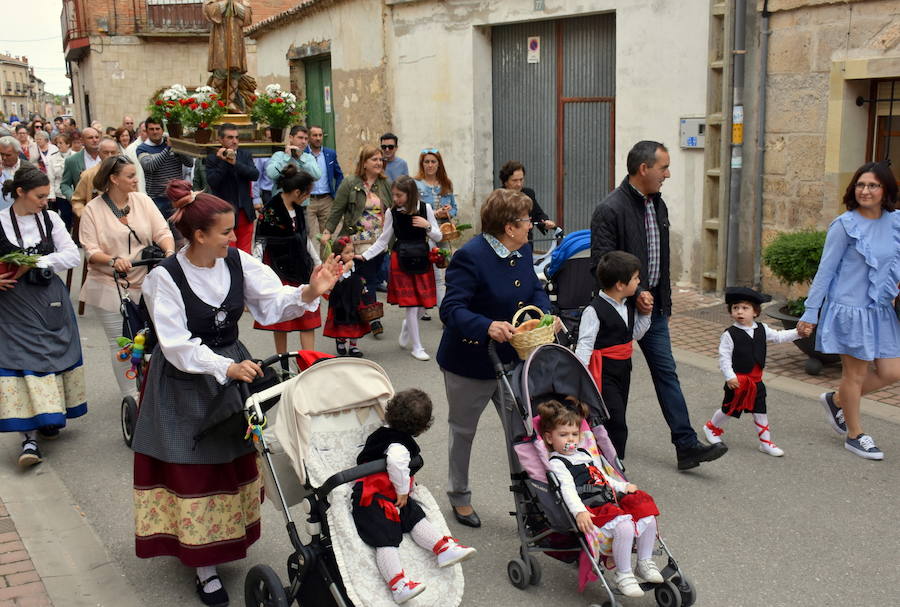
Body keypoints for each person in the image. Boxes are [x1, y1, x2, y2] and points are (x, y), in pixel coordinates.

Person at [131, 179, 342, 606]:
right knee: (196, 465)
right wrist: (221, 366)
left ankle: (223, 541)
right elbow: (174, 345)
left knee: (233, 458)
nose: (234, 236)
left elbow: (271, 301)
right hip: (186, 379)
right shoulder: (164, 278)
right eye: (226, 231)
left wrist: (309, 291)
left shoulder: (236, 262)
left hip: (234, 366)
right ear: (199, 235)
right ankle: (203, 566)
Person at [591, 140, 727, 471]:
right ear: (643, 169)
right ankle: (603, 449)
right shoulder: (610, 209)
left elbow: (658, 258)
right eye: (663, 167)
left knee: (667, 373)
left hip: (654, 310)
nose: (667, 174)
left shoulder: (657, 203)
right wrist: (634, 293)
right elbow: (601, 263)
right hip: (619, 313)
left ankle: (686, 445)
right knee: (614, 385)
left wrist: (659, 299)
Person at [437, 188, 551, 527]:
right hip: (469, 362)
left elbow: (534, 289)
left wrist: (545, 316)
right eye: (526, 220)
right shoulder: (471, 256)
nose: (531, 225)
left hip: (512, 361)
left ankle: (530, 500)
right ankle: (459, 495)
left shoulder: (523, 249)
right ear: (509, 227)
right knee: (463, 431)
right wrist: (487, 326)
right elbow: (451, 309)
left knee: (522, 432)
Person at [797, 162, 900, 460]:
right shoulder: (845, 225)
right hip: (850, 310)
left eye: (873, 185)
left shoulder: (895, 222)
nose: (865, 191)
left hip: (882, 311)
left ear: (886, 190)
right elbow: (825, 272)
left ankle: (837, 400)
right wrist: (810, 313)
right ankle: (855, 435)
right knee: (854, 375)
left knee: (892, 371)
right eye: (861, 185)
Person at [352, 388, 476, 604]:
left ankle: (442, 548)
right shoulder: (399, 445)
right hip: (373, 498)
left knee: (414, 515)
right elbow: (396, 463)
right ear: (422, 427)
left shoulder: (382, 434)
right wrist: (402, 490)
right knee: (385, 538)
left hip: (386, 492)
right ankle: (398, 584)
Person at [0, 167, 85, 467]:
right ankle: (29, 439)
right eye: (39, 196)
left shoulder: (50, 219)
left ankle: (49, 417)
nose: (45, 202)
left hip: (49, 299)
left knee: (52, 356)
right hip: (12, 304)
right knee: (24, 362)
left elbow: (73, 255)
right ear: (20, 193)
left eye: (47, 196)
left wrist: (34, 260)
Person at [538, 397, 663, 598]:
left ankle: (644, 562)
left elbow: (603, 477)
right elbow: (567, 491)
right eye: (563, 435)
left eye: (574, 434)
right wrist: (579, 512)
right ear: (549, 438)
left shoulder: (585, 454)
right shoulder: (558, 464)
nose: (570, 439)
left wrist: (623, 486)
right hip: (592, 509)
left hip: (609, 502)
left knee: (643, 508)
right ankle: (623, 575)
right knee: (624, 525)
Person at [78, 155, 175, 400]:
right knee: (123, 343)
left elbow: (162, 231)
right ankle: (131, 396)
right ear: (113, 179)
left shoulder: (142, 201)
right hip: (109, 283)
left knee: (157, 338)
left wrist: (169, 251)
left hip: (146, 280)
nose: (136, 180)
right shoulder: (93, 209)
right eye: (130, 176)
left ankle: (156, 389)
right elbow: (89, 249)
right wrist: (112, 260)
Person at [703, 287, 799, 457]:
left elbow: (779, 336)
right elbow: (724, 357)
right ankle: (711, 428)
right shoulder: (729, 334)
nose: (739, 312)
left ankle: (765, 442)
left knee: (760, 410)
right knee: (729, 409)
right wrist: (730, 376)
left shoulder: (762, 329)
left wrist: (798, 333)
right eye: (735, 308)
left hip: (756, 382)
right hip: (737, 382)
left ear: (755, 312)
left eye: (745, 308)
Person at [575, 251, 651, 459]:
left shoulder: (627, 306)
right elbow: (585, 344)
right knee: (615, 420)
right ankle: (615, 463)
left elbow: (631, 335)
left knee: (616, 413)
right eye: (636, 278)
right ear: (620, 285)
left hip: (624, 369)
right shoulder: (594, 311)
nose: (639, 282)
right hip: (604, 372)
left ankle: (604, 457)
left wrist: (646, 314)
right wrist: (579, 376)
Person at [361, 176, 442, 361]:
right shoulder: (392, 212)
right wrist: (365, 255)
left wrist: (427, 226)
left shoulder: (425, 208)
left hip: (422, 258)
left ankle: (408, 326)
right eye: (394, 195)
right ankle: (417, 347)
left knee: (425, 304)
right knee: (412, 306)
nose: (395, 199)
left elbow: (438, 236)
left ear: (410, 193)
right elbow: (383, 240)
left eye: (399, 195)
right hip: (401, 259)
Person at [321, 144, 392, 338]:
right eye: (374, 159)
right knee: (362, 279)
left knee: (370, 278)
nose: (379, 163)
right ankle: (372, 317)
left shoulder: (384, 184)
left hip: (378, 243)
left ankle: (366, 314)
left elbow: (392, 209)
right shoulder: (350, 183)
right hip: (354, 244)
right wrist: (327, 231)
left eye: (380, 159)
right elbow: (337, 209)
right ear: (364, 163)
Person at [253, 165, 322, 358]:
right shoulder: (270, 209)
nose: (308, 197)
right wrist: (257, 272)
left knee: (307, 317)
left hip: (302, 267)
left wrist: (317, 262)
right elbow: (260, 241)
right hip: (278, 267)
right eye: (307, 193)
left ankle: (309, 361)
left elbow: (304, 238)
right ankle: (282, 361)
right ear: (297, 192)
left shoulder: (299, 210)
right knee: (281, 318)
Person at [413, 148, 457, 315]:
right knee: (428, 271)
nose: (430, 165)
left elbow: (455, 209)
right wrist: (432, 213)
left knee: (443, 268)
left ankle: (442, 309)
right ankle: (428, 307)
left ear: (439, 164)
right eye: (426, 162)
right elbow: (414, 209)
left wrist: (448, 211)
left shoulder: (446, 184)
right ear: (422, 164)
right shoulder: (416, 184)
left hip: (443, 232)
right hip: (425, 232)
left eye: (433, 162)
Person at [205, 123, 259, 253]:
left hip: (245, 212)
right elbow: (213, 182)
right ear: (220, 139)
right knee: (228, 252)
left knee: (245, 253)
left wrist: (235, 163)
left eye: (236, 137)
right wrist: (224, 161)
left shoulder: (244, 155)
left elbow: (254, 175)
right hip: (224, 213)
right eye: (230, 137)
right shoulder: (212, 158)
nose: (234, 141)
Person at [137, 117, 194, 219]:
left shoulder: (171, 143)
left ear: (162, 130)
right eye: (151, 129)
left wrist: (179, 147)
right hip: (158, 199)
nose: (155, 132)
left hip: (178, 196)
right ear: (146, 131)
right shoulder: (142, 148)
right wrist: (168, 148)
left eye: (157, 129)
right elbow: (150, 166)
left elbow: (189, 163)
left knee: (180, 231)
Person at [323, 237, 370, 356]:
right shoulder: (337, 266)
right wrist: (345, 269)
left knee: (356, 320)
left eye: (352, 251)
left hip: (355, 296)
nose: (351, 255)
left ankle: (353, 346)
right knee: (342, 320)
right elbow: (335, 280)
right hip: (341, 298)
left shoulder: (356, 263)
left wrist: (363, 287)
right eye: (347, 252)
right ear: (339, 254)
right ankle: (341, 340)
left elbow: (361, 277)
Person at [498, 161, 556, 239]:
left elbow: (538, 213)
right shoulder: (498, 198)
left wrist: (546, 222)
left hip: (526, 240)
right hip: (506, 240)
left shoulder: (529, 194)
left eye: (521, 179)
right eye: (514, 180)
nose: (519, 184)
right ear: (505, 182)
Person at [306, 125, 344, 242]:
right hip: (308, 200)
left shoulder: (330, 153)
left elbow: (339, 175)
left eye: (320, 135)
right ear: (308, 137)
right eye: (314, 135)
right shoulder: (303, 154)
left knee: (326, 236)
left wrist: (337, 193)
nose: (318, 138)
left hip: (326, 199)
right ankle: (311, 260)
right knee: (308, 234)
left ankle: (326, 260)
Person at [264, 125, 321, 198]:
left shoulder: (309, 158)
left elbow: (317, 176)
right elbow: (271, 174)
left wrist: (301, 159)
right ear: (291, 138)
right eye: (300, 138)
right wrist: (286, 158)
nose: (303, 142)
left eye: (306, 139)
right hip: (281, 202)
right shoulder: (279, 155)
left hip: (301, 203)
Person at [71, 138, 119, 217]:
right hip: (97, 220)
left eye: (113, 153)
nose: (110, 156)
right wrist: (85, 215)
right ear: (99, 154)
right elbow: (77, 201)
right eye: (106, 152)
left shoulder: (125, 174)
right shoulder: (88, 175)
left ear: (118, 153)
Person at [60, 126, 102, 206]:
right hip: (85, 206)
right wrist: (74, 198)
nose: (95, 140)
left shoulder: (107, 157)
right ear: (82, 141)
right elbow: (65, 185)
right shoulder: (72, 160)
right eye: (90, 138)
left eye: (97, 137)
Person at [1, 137, 37, 210]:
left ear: (18, 153)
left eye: (8, 155)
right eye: (1, 154)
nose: (4, 158)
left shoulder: (29, 169)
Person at [48, 134, 75, 229]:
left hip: (75, 192)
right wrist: (51, 195)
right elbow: (50, 178)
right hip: (60, 193)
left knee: (76, 216)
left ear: (68, 144)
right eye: (57, 143)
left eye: (61, 143)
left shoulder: (76, 156)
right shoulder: (52, 158)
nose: (58, 145)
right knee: (65, 216)